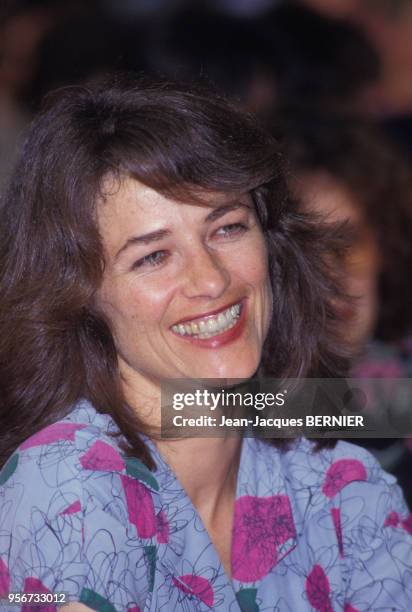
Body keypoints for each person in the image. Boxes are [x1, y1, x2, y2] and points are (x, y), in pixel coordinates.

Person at [0, 76, 411, 612]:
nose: (211, 280)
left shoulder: (339, 486)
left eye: (227, 228)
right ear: (81, 297)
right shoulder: (64, 497)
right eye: (152, 256)